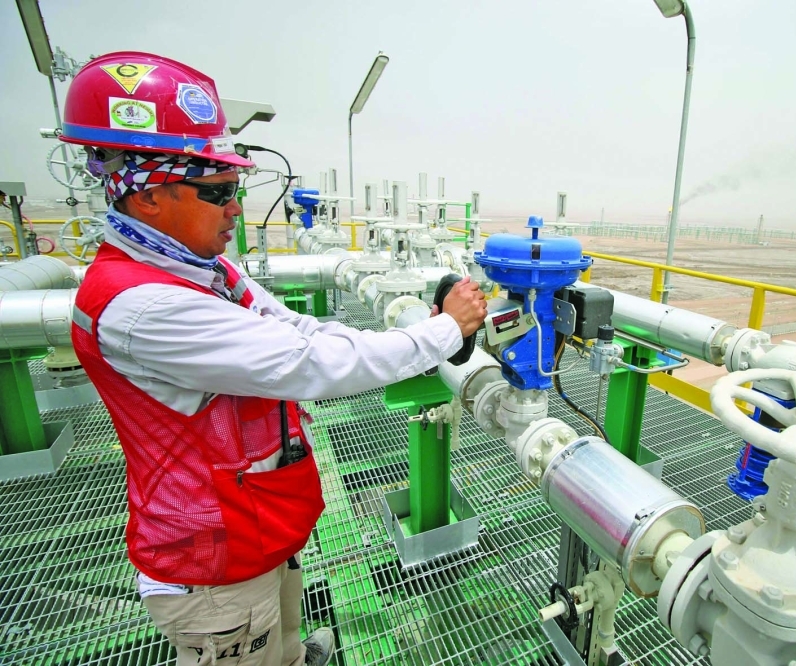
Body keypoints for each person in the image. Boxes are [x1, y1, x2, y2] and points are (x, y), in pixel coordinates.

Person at [62, 52, 487, 666]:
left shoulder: (200, 270)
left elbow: (296, 328)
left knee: (284, 634)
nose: (236, 208)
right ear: (150, 197)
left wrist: (423, 330)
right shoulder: (145, 306)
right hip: (213, 566)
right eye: (218, 192)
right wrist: (447, 330)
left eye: (235, 190)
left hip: (254, 528)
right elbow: (309, 365)